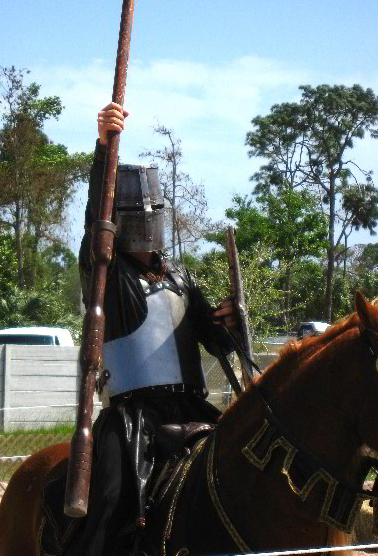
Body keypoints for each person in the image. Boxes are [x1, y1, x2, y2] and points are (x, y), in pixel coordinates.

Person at [70, 102, 240, 556]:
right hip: (133, 416)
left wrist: (233, 322)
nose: (147, 222)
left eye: (153, 212)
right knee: (109, 502)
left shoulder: (182, 277)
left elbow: (217, 341)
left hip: (191, 407)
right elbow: (94, 226)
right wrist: (104, 148)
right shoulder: (108, 274)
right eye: (136, 214)